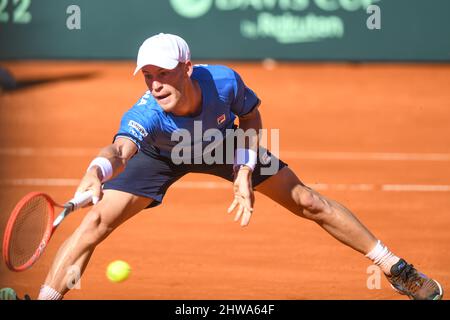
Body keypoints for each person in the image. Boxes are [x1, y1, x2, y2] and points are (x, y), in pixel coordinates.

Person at [7, 33, 444, 300]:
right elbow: (121, 149)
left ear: (188, 69)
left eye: (163, 72)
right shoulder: (146, 114)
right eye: (147, 75)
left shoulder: (224, 82)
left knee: (309, 201)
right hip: (161, 153)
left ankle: (395, 268)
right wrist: (98, 170)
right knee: (95, 222)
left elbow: (251, 117)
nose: (155, 83)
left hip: (222, 143)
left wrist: (242, 169)